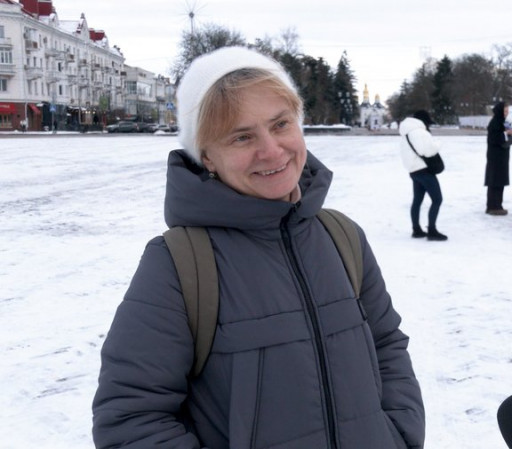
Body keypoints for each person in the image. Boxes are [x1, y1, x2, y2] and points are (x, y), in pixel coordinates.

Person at [92, 47, 425, 449]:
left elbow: (386, 346)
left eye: (280, 124)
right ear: (207, 157)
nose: (271, 150)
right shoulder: (180, 264)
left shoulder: (341, 237)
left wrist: (398, 435)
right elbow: (131, 420)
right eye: (242, 136)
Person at [399, 110, 448, 241]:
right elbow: (427, 151)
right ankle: (432, 231)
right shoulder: (419, 132)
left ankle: (416, 230)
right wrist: (438, 143)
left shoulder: (406, 132)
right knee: (437, 199)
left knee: (417, 201)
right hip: (424, 171)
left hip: (413, 171)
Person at [485, 101, 512, 215]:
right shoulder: (494, 123)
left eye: (507, 111)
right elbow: (494, 139)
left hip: (503, 157)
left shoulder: (505, 122)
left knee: (500, 181)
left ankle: (498, 205)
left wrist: (510, 134)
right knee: (494, 181)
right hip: (495, 157)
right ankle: (492, 206)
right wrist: (505, 134)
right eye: (505, 111)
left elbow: (510, 139)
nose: (506, 114)